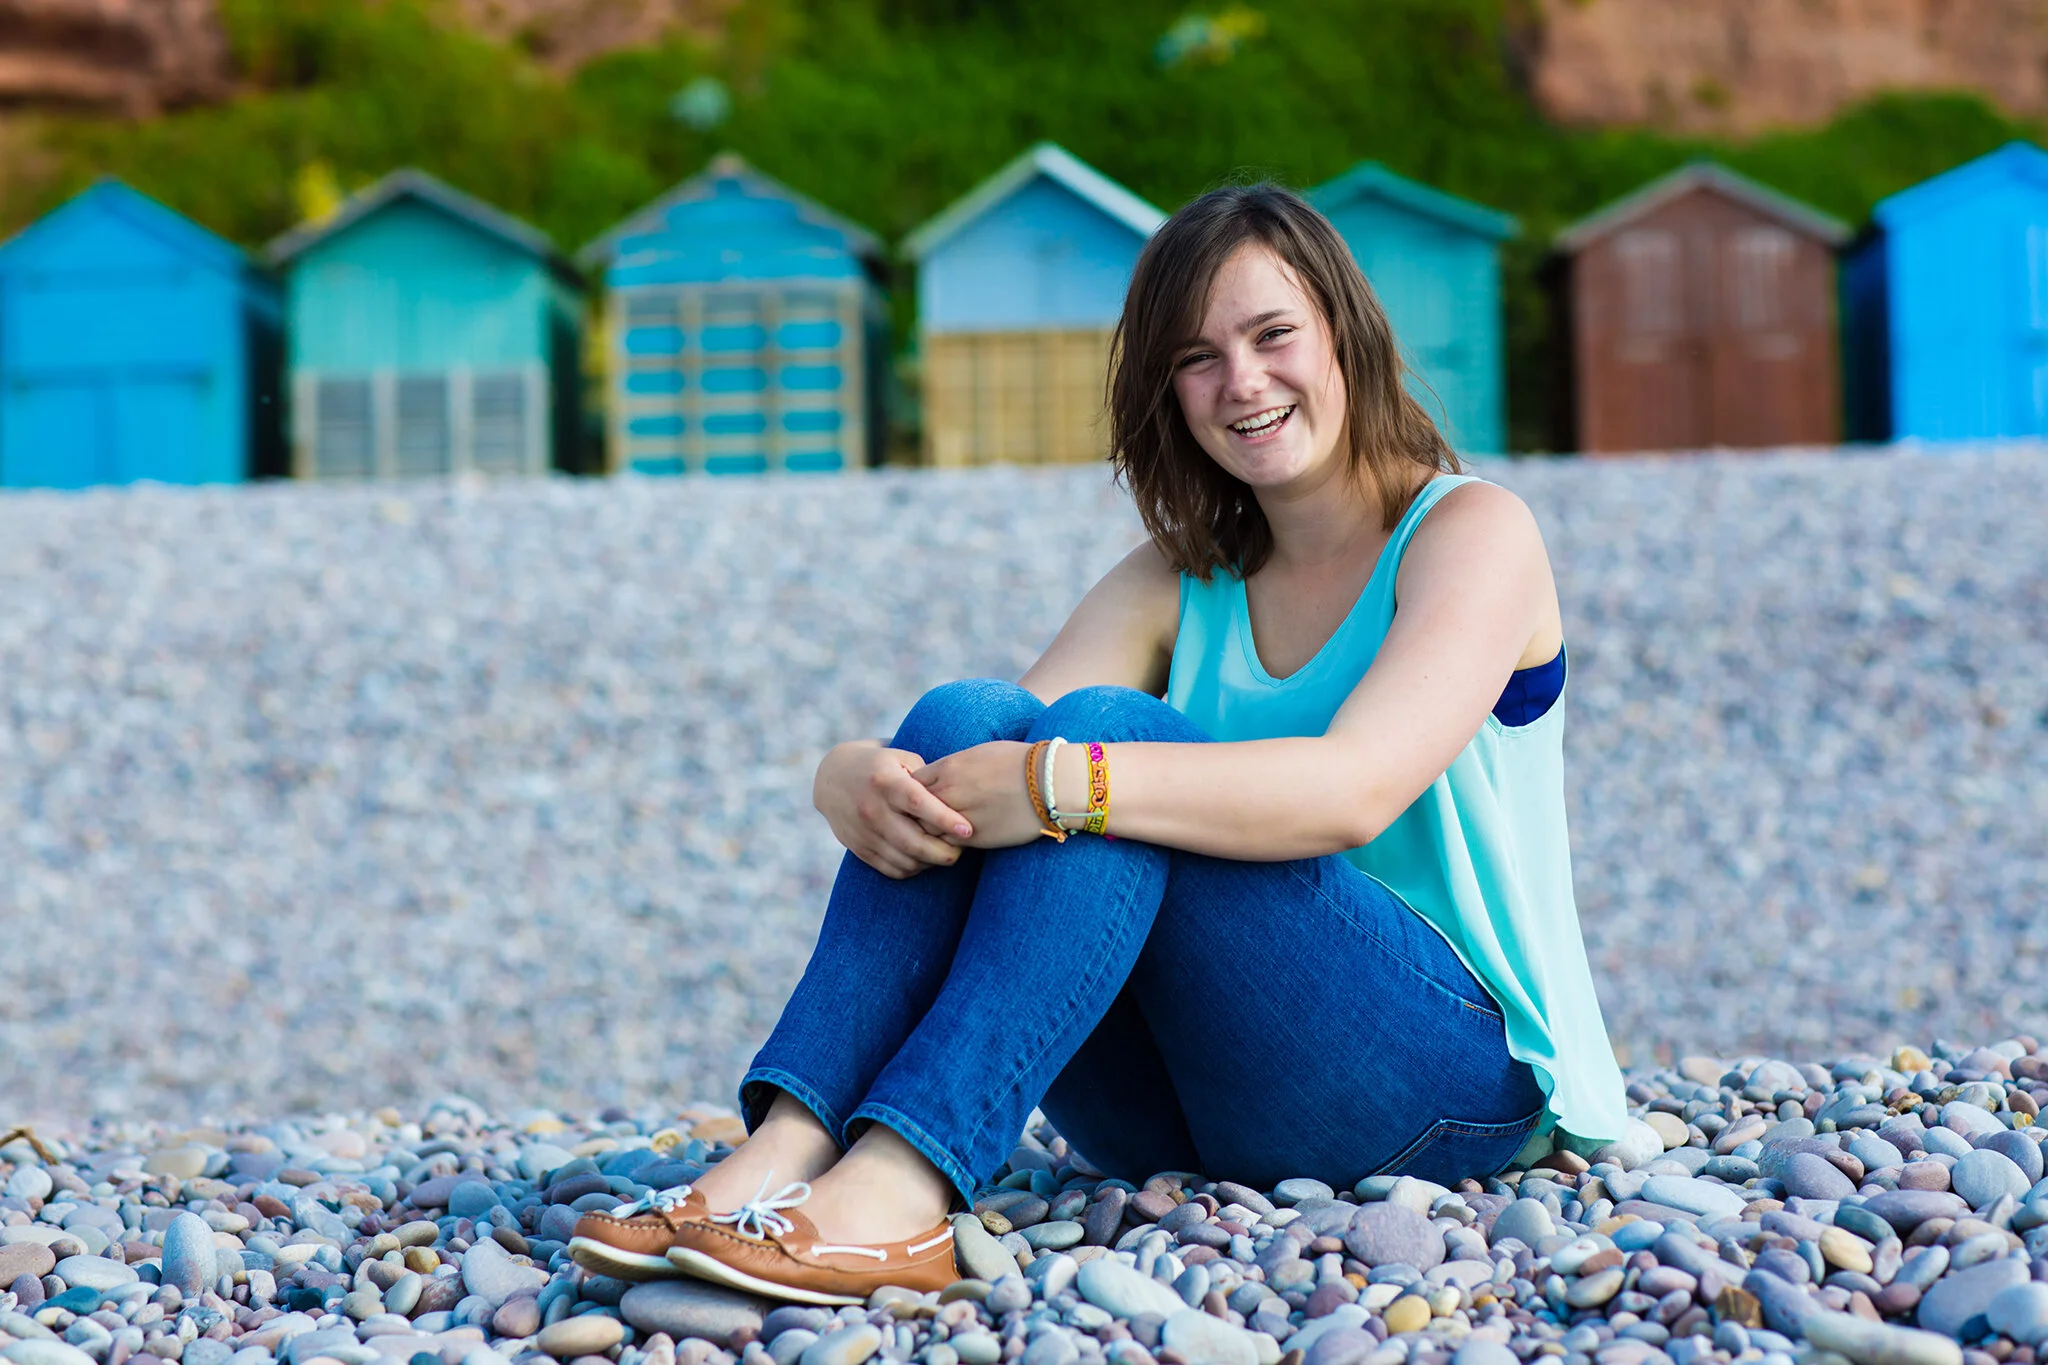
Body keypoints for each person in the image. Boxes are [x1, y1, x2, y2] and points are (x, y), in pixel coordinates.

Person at [570, 182, 1627, 1306]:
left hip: (1437, 1084)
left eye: (1272, 336)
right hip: (1182, 1106)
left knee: (1097, 750)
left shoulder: (1470, 532)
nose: (1242, 383)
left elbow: (1350, 793)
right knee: (967, 719)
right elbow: (983, 767)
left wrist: (1061, 782)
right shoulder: (1182, 577)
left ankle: (900, 1183)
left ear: (1345, 337)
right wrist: (847, 775)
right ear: (1166, 392)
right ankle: (785, 1150)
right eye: (1195, 358)